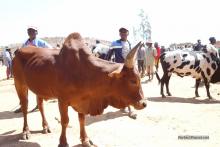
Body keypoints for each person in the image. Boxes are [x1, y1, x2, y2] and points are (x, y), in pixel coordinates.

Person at [14, 26, 52, 113]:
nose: (30, 32)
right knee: (22, 87)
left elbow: (51, 50)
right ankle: (23, 105)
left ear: (36, 32)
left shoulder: (42, 43)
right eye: (28, 31)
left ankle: (39, 105)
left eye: (32, 30)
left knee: (37, 87)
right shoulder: (25, 44)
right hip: (26, 70)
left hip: (38, 70)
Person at [105, 27, 137, 119]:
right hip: (119, 69)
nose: (123, 34)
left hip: (129, 69)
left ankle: (130, 108)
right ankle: (125, 106)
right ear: (119, 34)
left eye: (125, 32)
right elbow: (108, 56)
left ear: (128, 33)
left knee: (129, 87)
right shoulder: (114, 43)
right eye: (121, 32)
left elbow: (133, 57)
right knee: (122, 88)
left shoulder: (130, 44)